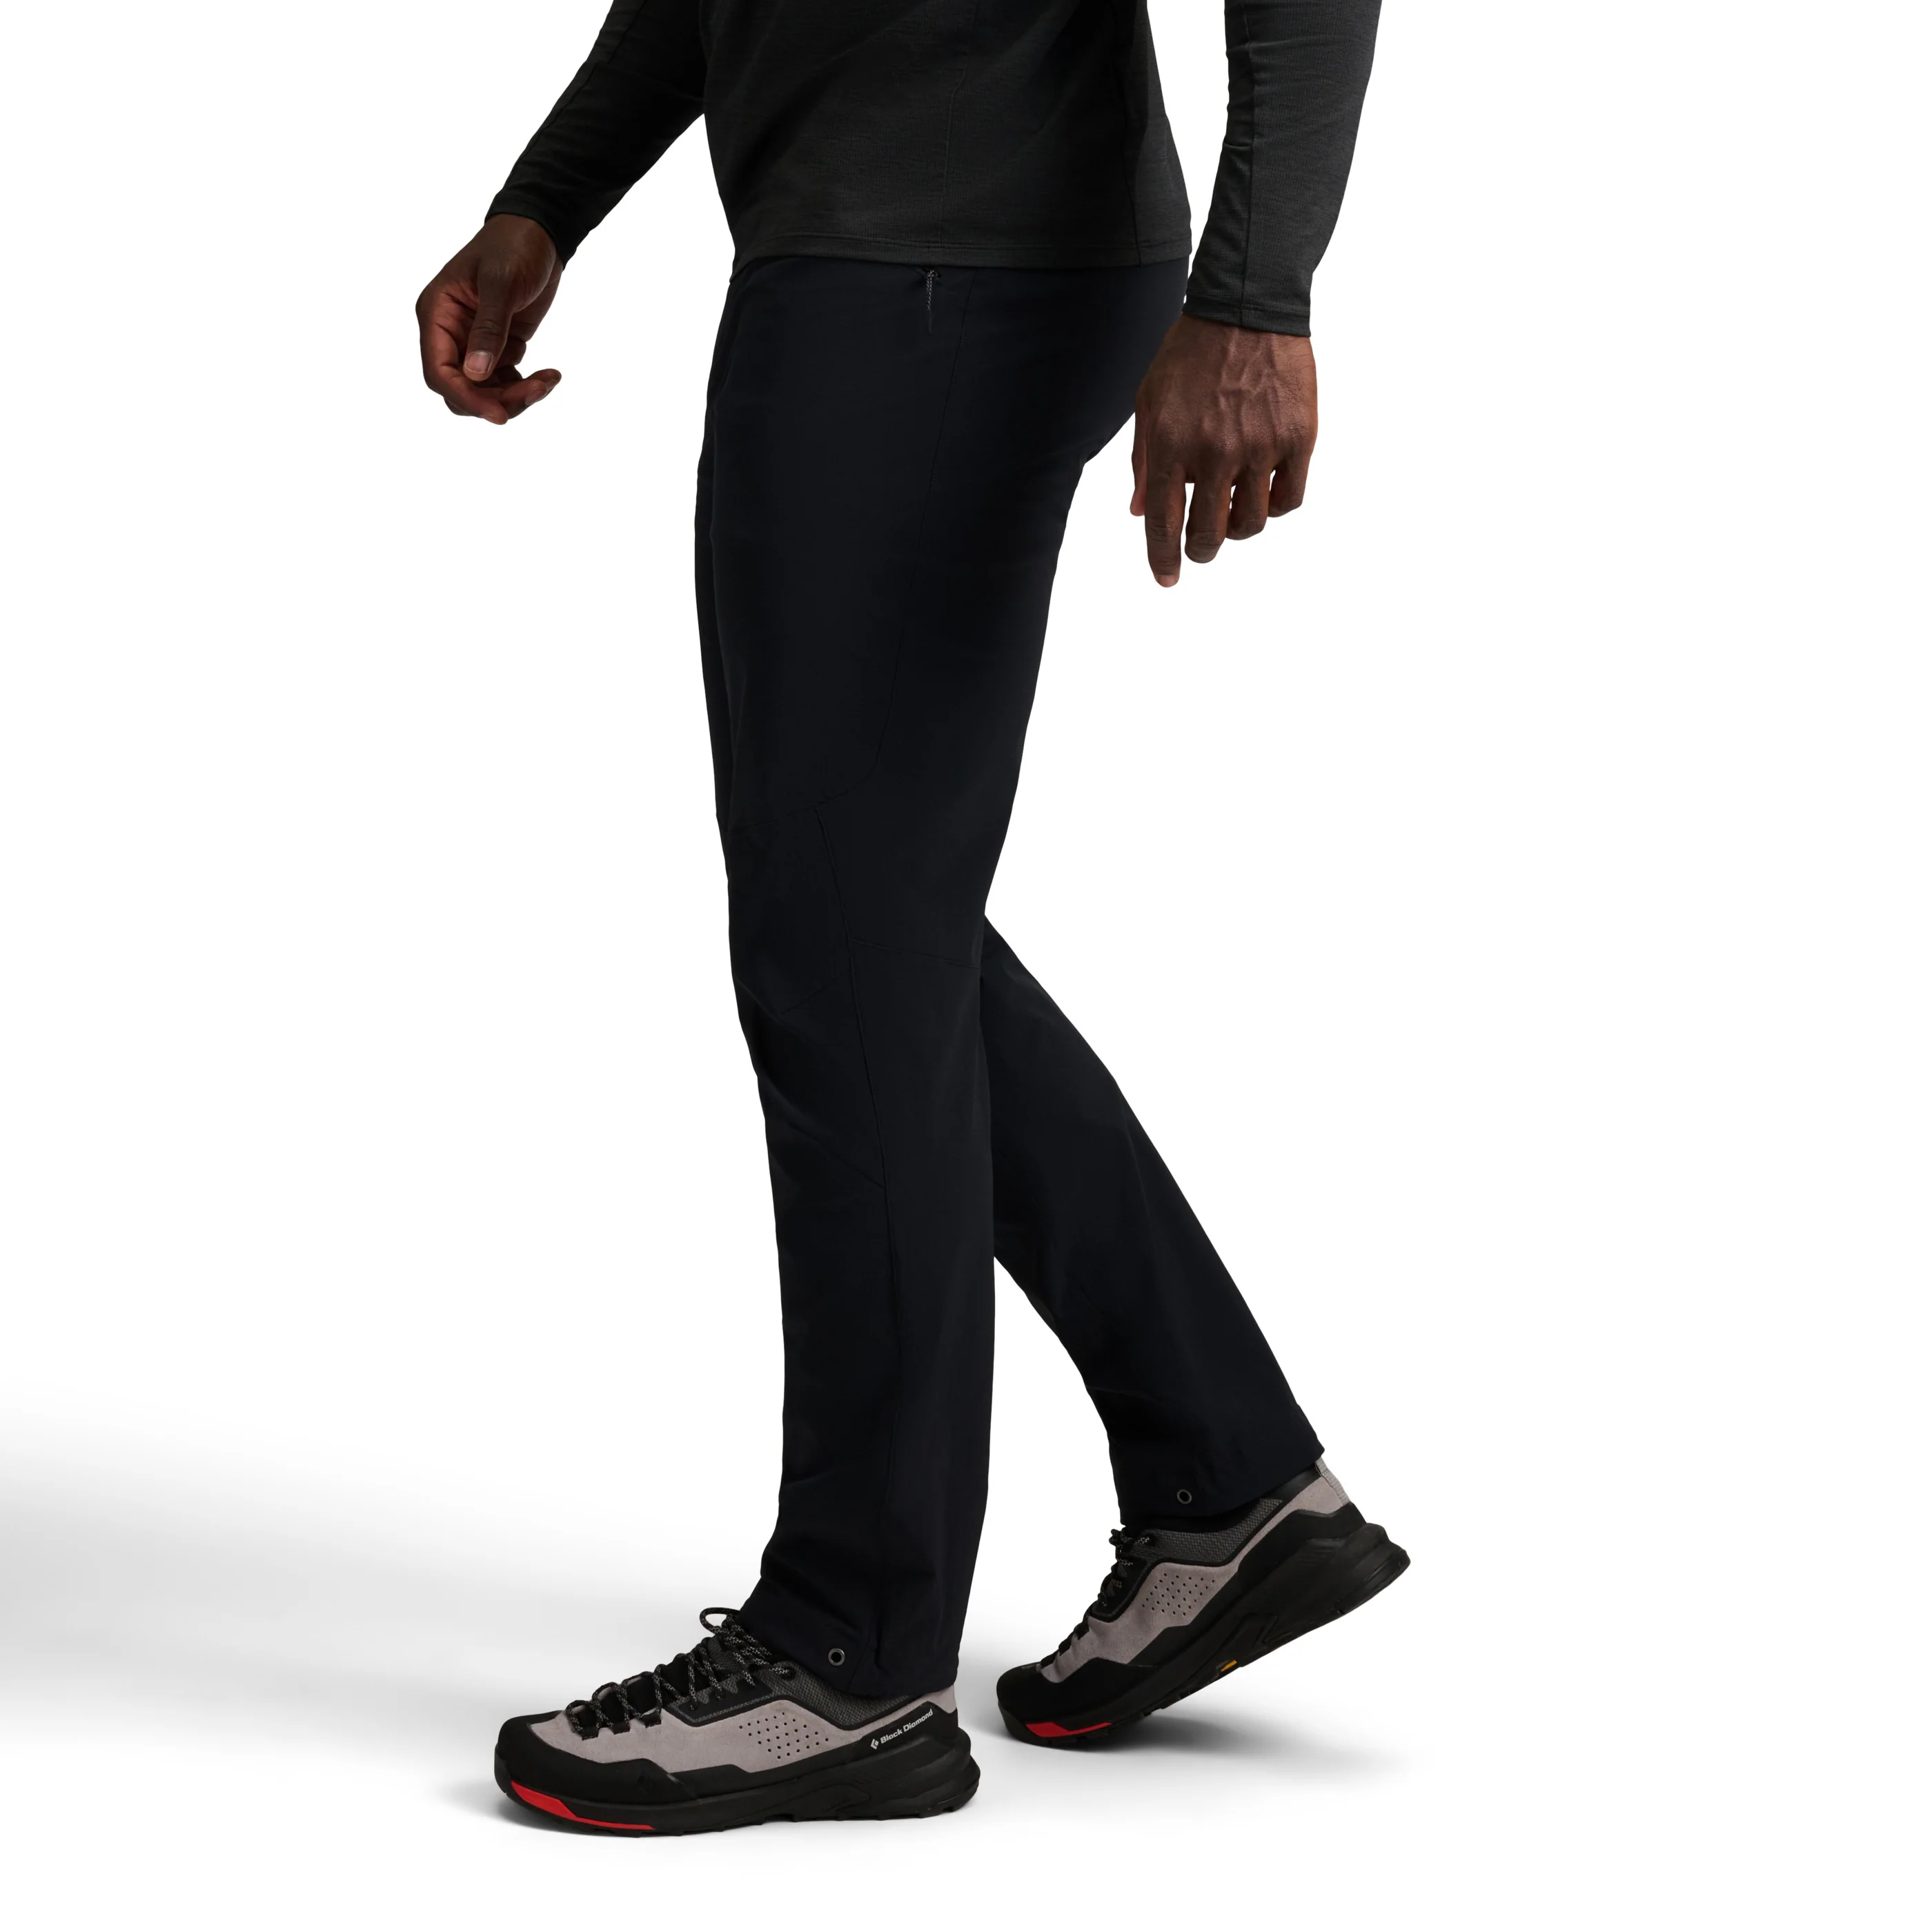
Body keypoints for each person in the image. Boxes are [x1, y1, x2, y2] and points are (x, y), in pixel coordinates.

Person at [417, 0, 1403, 1837]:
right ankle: (1230, 1486)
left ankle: (850, 1656)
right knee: (872, 917)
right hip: (889, 268)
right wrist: (549, 201)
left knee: (844, 941)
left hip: (943, 280)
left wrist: (1261, 296)